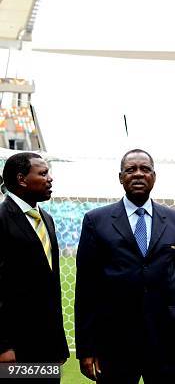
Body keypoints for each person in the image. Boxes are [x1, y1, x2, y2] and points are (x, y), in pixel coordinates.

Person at [75, 149, 175, 383]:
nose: (138, 174)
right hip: (114, 342)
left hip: (167, 342)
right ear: (120, 177)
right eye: (131, 170)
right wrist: (87, 348)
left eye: (145, 169)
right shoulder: (95, 220)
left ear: (154, 176)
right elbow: (86, 290)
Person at [0, 152, 69, 383]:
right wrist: (3, 346)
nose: (50, 179)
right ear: (21, 179)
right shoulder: (2, 218)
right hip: (16, 350)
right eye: (43, 173)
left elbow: (51, 286)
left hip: (48, 347)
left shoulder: (46, 218)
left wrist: (58, 344)